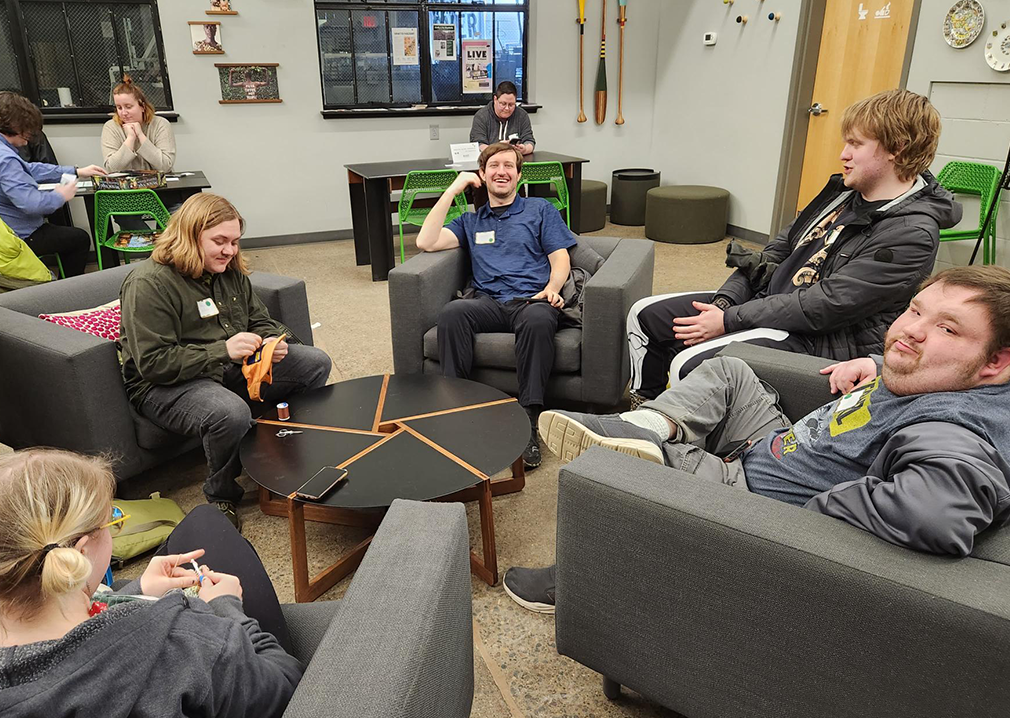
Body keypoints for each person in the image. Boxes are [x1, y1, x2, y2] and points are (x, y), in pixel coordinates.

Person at [503, 265, 1010, 613]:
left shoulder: (955, 430)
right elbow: (917, 359)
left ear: (996, 362)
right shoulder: (950, 377)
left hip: (753, 494)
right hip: (781, 444)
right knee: (728, 371)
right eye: (916, 311)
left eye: (948, 329)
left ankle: (575, 582)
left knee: (629, 473)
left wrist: (815, 503)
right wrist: (879, 363)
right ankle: (647, 426)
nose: (912, 331)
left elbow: (938, 513)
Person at [627, 89, 961, 405]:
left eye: (855, 144)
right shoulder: (843, 193)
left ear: (896, 149)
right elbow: (774, 252)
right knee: (646, 316)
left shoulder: (912, 232)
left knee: (690, 362)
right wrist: (724, 303)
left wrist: (729, 320)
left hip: (820, 337)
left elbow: (827, 305)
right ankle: (645, 406)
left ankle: (670, 436)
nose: (843, 154)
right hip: (773, 303)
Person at [0, 449, 303, 716]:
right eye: (113, 521)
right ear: (80, 549)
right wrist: (227, 610)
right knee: (206, 521)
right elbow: (285, 690)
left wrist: (136, 592)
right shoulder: (190, 646)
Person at [119, 193, 331, 529]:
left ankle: (282, 452)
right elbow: (154, 364)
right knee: (228, 413)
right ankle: (221, 495)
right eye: (220, 241)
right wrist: (223, 350)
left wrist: (274, 342)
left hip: (224, 367)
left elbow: (258, 320)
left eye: (234, 242)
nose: (230, 250)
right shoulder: (149, 284)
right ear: (189, 236)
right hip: (164, 385)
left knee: (314, 362)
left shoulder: (228, 273)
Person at [416, 142, 576, 469]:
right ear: (482, 174)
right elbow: (425, 241)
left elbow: (560, 257)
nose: (501, 172)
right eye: (494, 166)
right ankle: (458, 409)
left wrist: (551, 289)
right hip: (487, 302)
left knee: (538, 320)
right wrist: (455, 186)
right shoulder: (471, 221)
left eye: (508, 166)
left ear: (518, 175)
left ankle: (529, 417)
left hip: (531, 300)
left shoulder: (540, 210)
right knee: (452, 313)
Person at [0, 91, 105, 278]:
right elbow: (32, 204)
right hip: (9, 239)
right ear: (15, 125)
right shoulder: (3, 156)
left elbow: (26, 168)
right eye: (28, 133)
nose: (28, 140)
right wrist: (61, 195)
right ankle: (68, 293)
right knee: (79, 239)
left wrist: (74, 171)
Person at [101, 75, 176, 173]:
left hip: (159, 184)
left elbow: (166, 166)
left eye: (128, 107)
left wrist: (141, 136)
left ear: (142, 106)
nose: (123, 113)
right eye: (119, 108)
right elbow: (111, 168)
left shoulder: (161, 124)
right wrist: (130, 138)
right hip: (125, 186)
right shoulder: (110, 127)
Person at [469, 81, 535, 155]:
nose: (507, 108)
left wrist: (525, 149)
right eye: (503, 104)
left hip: (515, 161)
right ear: (495, 100)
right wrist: (498, 148)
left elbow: (530, 141)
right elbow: (478, 145)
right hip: (490, 161)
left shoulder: (522, 115)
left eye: (511, 104)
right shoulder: (481, 116)